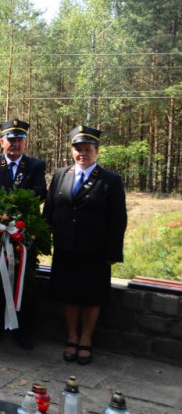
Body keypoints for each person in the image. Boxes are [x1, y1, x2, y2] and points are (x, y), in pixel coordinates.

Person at [45, 125, 127, 366]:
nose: (83, 153)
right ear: (72, 151)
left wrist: (113, 251)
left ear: (96, 152)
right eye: (78, 149)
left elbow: (118, 219)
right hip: (65, 248)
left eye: (87, 149)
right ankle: (71, 337)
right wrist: (44, 240)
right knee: (68, 294)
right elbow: (50, 209)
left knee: (92, 297)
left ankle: (86, 340)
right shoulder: (61, 175)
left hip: (95, 251)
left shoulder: (110, 180)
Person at [0, 118, 47, 349]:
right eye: (10, 140)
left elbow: (40, 193)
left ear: (26, 143)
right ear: (1, 142)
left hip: (22, 234)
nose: (14, 144)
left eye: (19, 140)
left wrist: (16, 209)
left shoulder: (35, 165)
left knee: (24, 282)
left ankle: (22, 333)